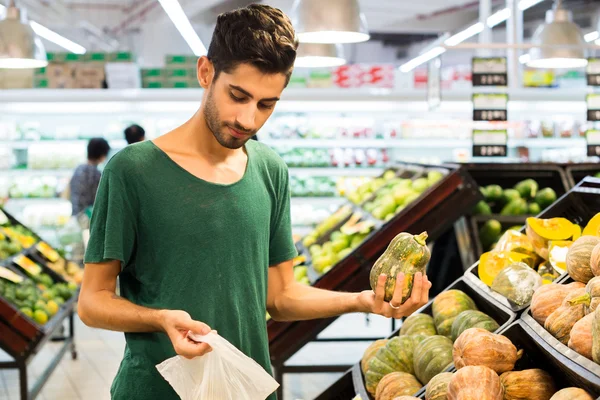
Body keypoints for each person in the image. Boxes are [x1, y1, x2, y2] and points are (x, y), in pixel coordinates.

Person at [78, 4, 432, 400]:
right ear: (205, 72)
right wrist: (160, 319)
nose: (248, 119)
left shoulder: (270, 169)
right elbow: (92, 302)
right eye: (238, 95)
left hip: (248, 388)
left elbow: (280, 297)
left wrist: (364, 301)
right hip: (154, 390)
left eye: (266, 104)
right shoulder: (133, 170)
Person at [69, 138, 110, 216]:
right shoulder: (95, 173)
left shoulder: (78, 168)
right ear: (102, 154)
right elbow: (99, 200)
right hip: (88, 217)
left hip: (76, 215)